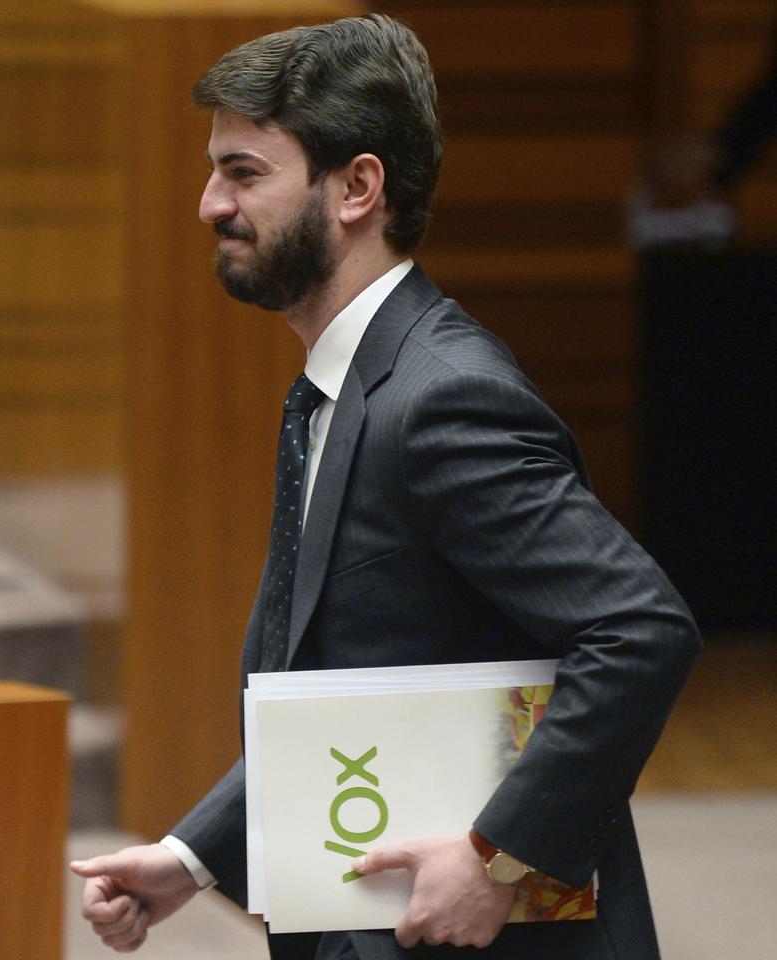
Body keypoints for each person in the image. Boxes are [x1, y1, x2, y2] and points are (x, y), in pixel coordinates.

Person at [70, 15, 699, 960]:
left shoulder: (446, 399)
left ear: (358, 187)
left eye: (244, 172)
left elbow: (640, 630)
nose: (209, 204)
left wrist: (499, 858)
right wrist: (192, 858)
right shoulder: (350, 381)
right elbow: (343, 680)